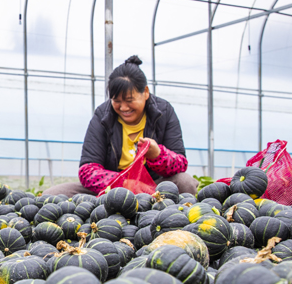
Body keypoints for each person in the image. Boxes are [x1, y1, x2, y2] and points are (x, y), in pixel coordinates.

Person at [43, 55, 198, 197]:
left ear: (145, 92)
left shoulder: (164, 112)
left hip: (153, 189)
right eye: (116, 101)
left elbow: (180, 164)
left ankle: (180, 221)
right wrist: (122, 183)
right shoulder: (102, 116)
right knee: (52, 194)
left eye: (129, 100)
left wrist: (157, 155)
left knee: (185, 182)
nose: (123, 108)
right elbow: (87, 171)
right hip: (110, 189)